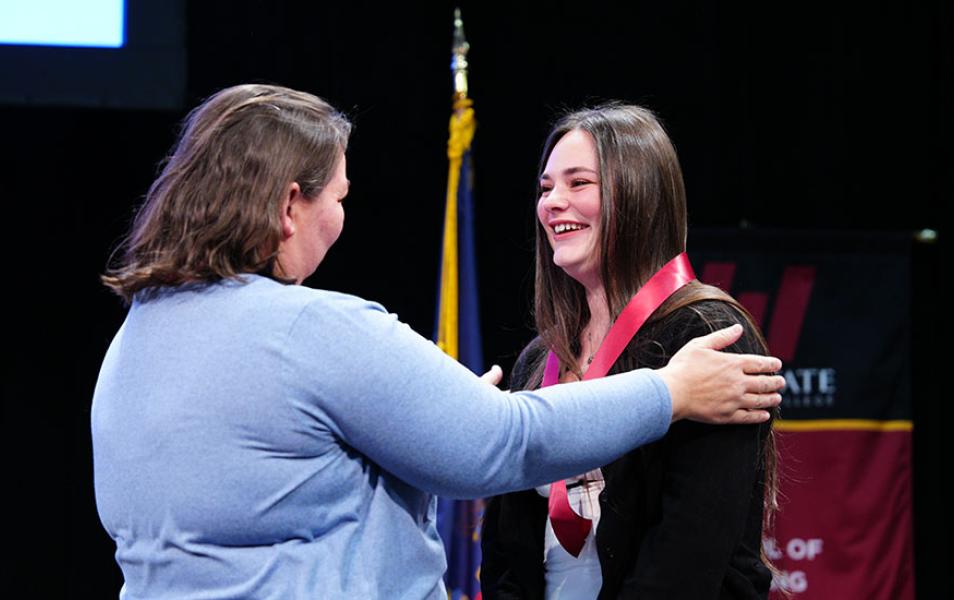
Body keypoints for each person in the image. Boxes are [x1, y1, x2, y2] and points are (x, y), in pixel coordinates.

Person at [91, 85, 783, 599]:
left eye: (580, 183)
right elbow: (501, 444)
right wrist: (670, 391)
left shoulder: (132, 343)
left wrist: (426, 429)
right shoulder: (308, 328)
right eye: (338, 198)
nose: (339, 221)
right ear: (287, 205)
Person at [480, 104, 778, 599]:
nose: (553, 202)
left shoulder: (708, 334)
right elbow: (507, 551)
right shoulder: (539, 359)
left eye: (578, 183)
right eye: (546, 187)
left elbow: (688, 556)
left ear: (637, 195)